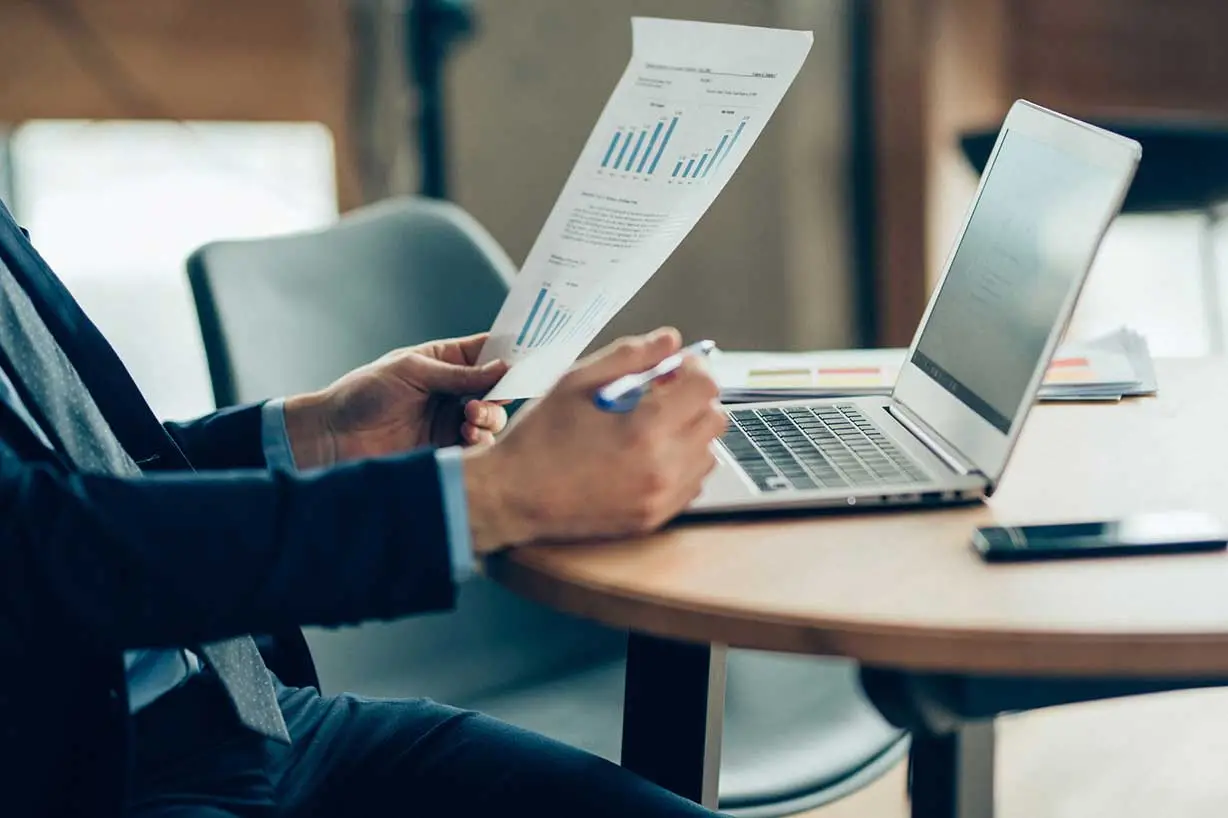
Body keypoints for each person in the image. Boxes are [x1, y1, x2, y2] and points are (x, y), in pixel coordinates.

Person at [0, 197, 729, 818]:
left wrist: (315, 435)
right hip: (88, 781)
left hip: (244, 717)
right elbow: (39, 551)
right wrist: (494, 496)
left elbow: (75, 479)